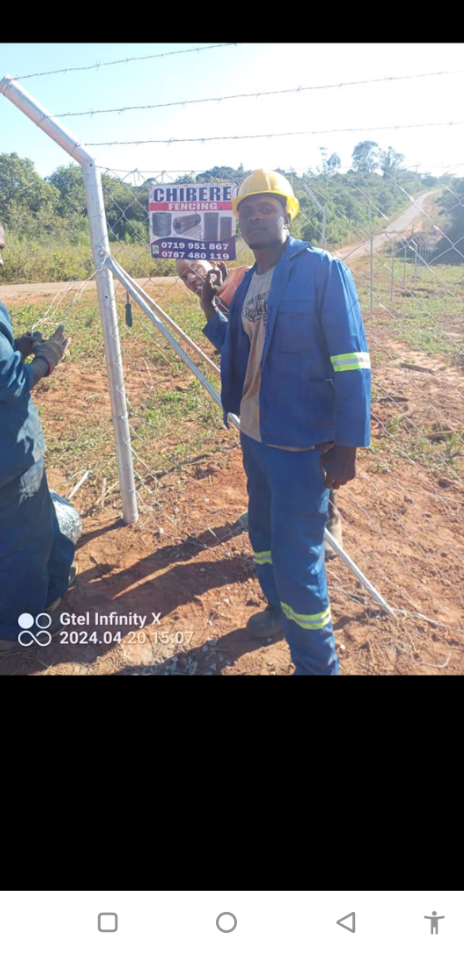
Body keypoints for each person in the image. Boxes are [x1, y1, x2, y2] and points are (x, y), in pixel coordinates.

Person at [199, 170, 371, 675]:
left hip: (300, 446)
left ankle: (317, 666)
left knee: (300, 560)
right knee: (264, 536)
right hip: (255, 435)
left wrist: (347, 445)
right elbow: (240, 353)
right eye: (247, 212)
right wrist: (209, 304)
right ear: (240, 225)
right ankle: (277, 610)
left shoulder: (322, 270)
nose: (255, 217)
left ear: (286, 215)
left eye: (266, 209)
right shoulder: (249, 281)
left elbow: (352, 361)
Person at [176, 257, 344, 570]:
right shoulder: (218, 297)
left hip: (301, 385)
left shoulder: (247, 281)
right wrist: (208, 306)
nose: (191, 278)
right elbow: (232, 345)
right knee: (264, 459)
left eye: (194, 268)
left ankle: (328, 524)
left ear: (214, 261)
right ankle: (266, 514)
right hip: (263, 397)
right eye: (184, 276)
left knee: (311, 453)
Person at [0, 210, 76, 651]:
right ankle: (12, 632)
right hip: (5, 459)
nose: (2, 259)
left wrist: (16, 347)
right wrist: (47, 359)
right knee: (23, 544)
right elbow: (7, 383)